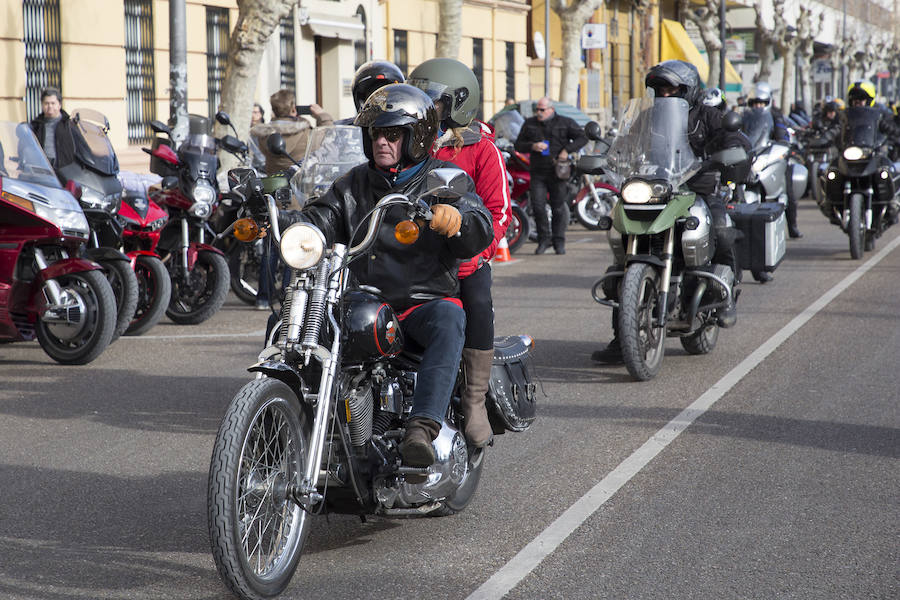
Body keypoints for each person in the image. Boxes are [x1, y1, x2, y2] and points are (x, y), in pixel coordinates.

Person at [295, 83, 494, 470]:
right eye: (375, 134)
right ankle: (291, 420)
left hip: (422, 302)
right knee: (294, 320)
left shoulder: (445, 178)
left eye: (393, 134)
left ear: (416, 137)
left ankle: (422, 428)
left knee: (451, 318)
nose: (382, 142)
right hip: (363, 301)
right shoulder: (352, 184)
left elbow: (479, 220)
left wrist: (457, 221)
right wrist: (287, 225)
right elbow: (321, 217)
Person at [593, 59, 747, 364]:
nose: (664, 94)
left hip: (697, 188)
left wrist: (730, 154)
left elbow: (736, 140)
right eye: (659, 89)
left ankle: (726, 294)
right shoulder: (648, 117)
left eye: (671, 88)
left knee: (720, 227)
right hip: (655, 188)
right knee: (622, 243)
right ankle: (622, 336)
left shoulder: (710, 116)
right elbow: (624, 145)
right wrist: (606, 159)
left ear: (688, 90)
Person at [408, 57, 512, 447]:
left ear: (457, 104)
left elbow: (499, 211)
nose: (422, 108)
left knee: (478, 303)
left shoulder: (481, 148)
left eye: (431, 101)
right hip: (410, 256)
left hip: (463, 260)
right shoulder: (409, 141)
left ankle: (474, 400)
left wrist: (475, 253)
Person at [514, 97, 588, 254]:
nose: (539, 113)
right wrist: (532, 146)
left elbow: (583, 137)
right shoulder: (530, 123)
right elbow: (518, 144)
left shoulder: (565, 122)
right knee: (538, 207)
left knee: (558, 208)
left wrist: (567, 150)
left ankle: (559, 242)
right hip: (537, 172)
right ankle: (543, 240)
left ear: (551, 110)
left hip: (558, 172)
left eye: (542, 110)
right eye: (537, 110)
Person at [745, 81, 801, 239]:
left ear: (768, 101)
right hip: (752, 156)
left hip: (771, 156)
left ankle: (793, 226)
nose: (758, 106)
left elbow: (783, 135)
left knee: (787, 188)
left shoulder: (776, 116)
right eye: (755, 103)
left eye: (762, 103)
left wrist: (783, 143)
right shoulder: (746, 117)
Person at [250, 89, 333, 176]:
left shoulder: (263, 136)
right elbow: (327, 137)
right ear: (293, 109)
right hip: (300, 183)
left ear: (274, 110)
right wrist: (322, 115)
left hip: (273, 183)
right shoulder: (306, 133)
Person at [29, 87, 77, 175]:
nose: (50, 106)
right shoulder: (36, 125)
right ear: (42, 105)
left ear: (59, 105)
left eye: (53, 103)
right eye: (46, 103)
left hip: (64, 172)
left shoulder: (69, 125)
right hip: (41, 171)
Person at [247, 102, 267, 172]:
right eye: (251, 113)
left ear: (261, 114)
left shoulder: (266, 130)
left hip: (264, 166)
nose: (253, 115)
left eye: (255, 112)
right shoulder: (247, 130)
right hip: (252, 166)